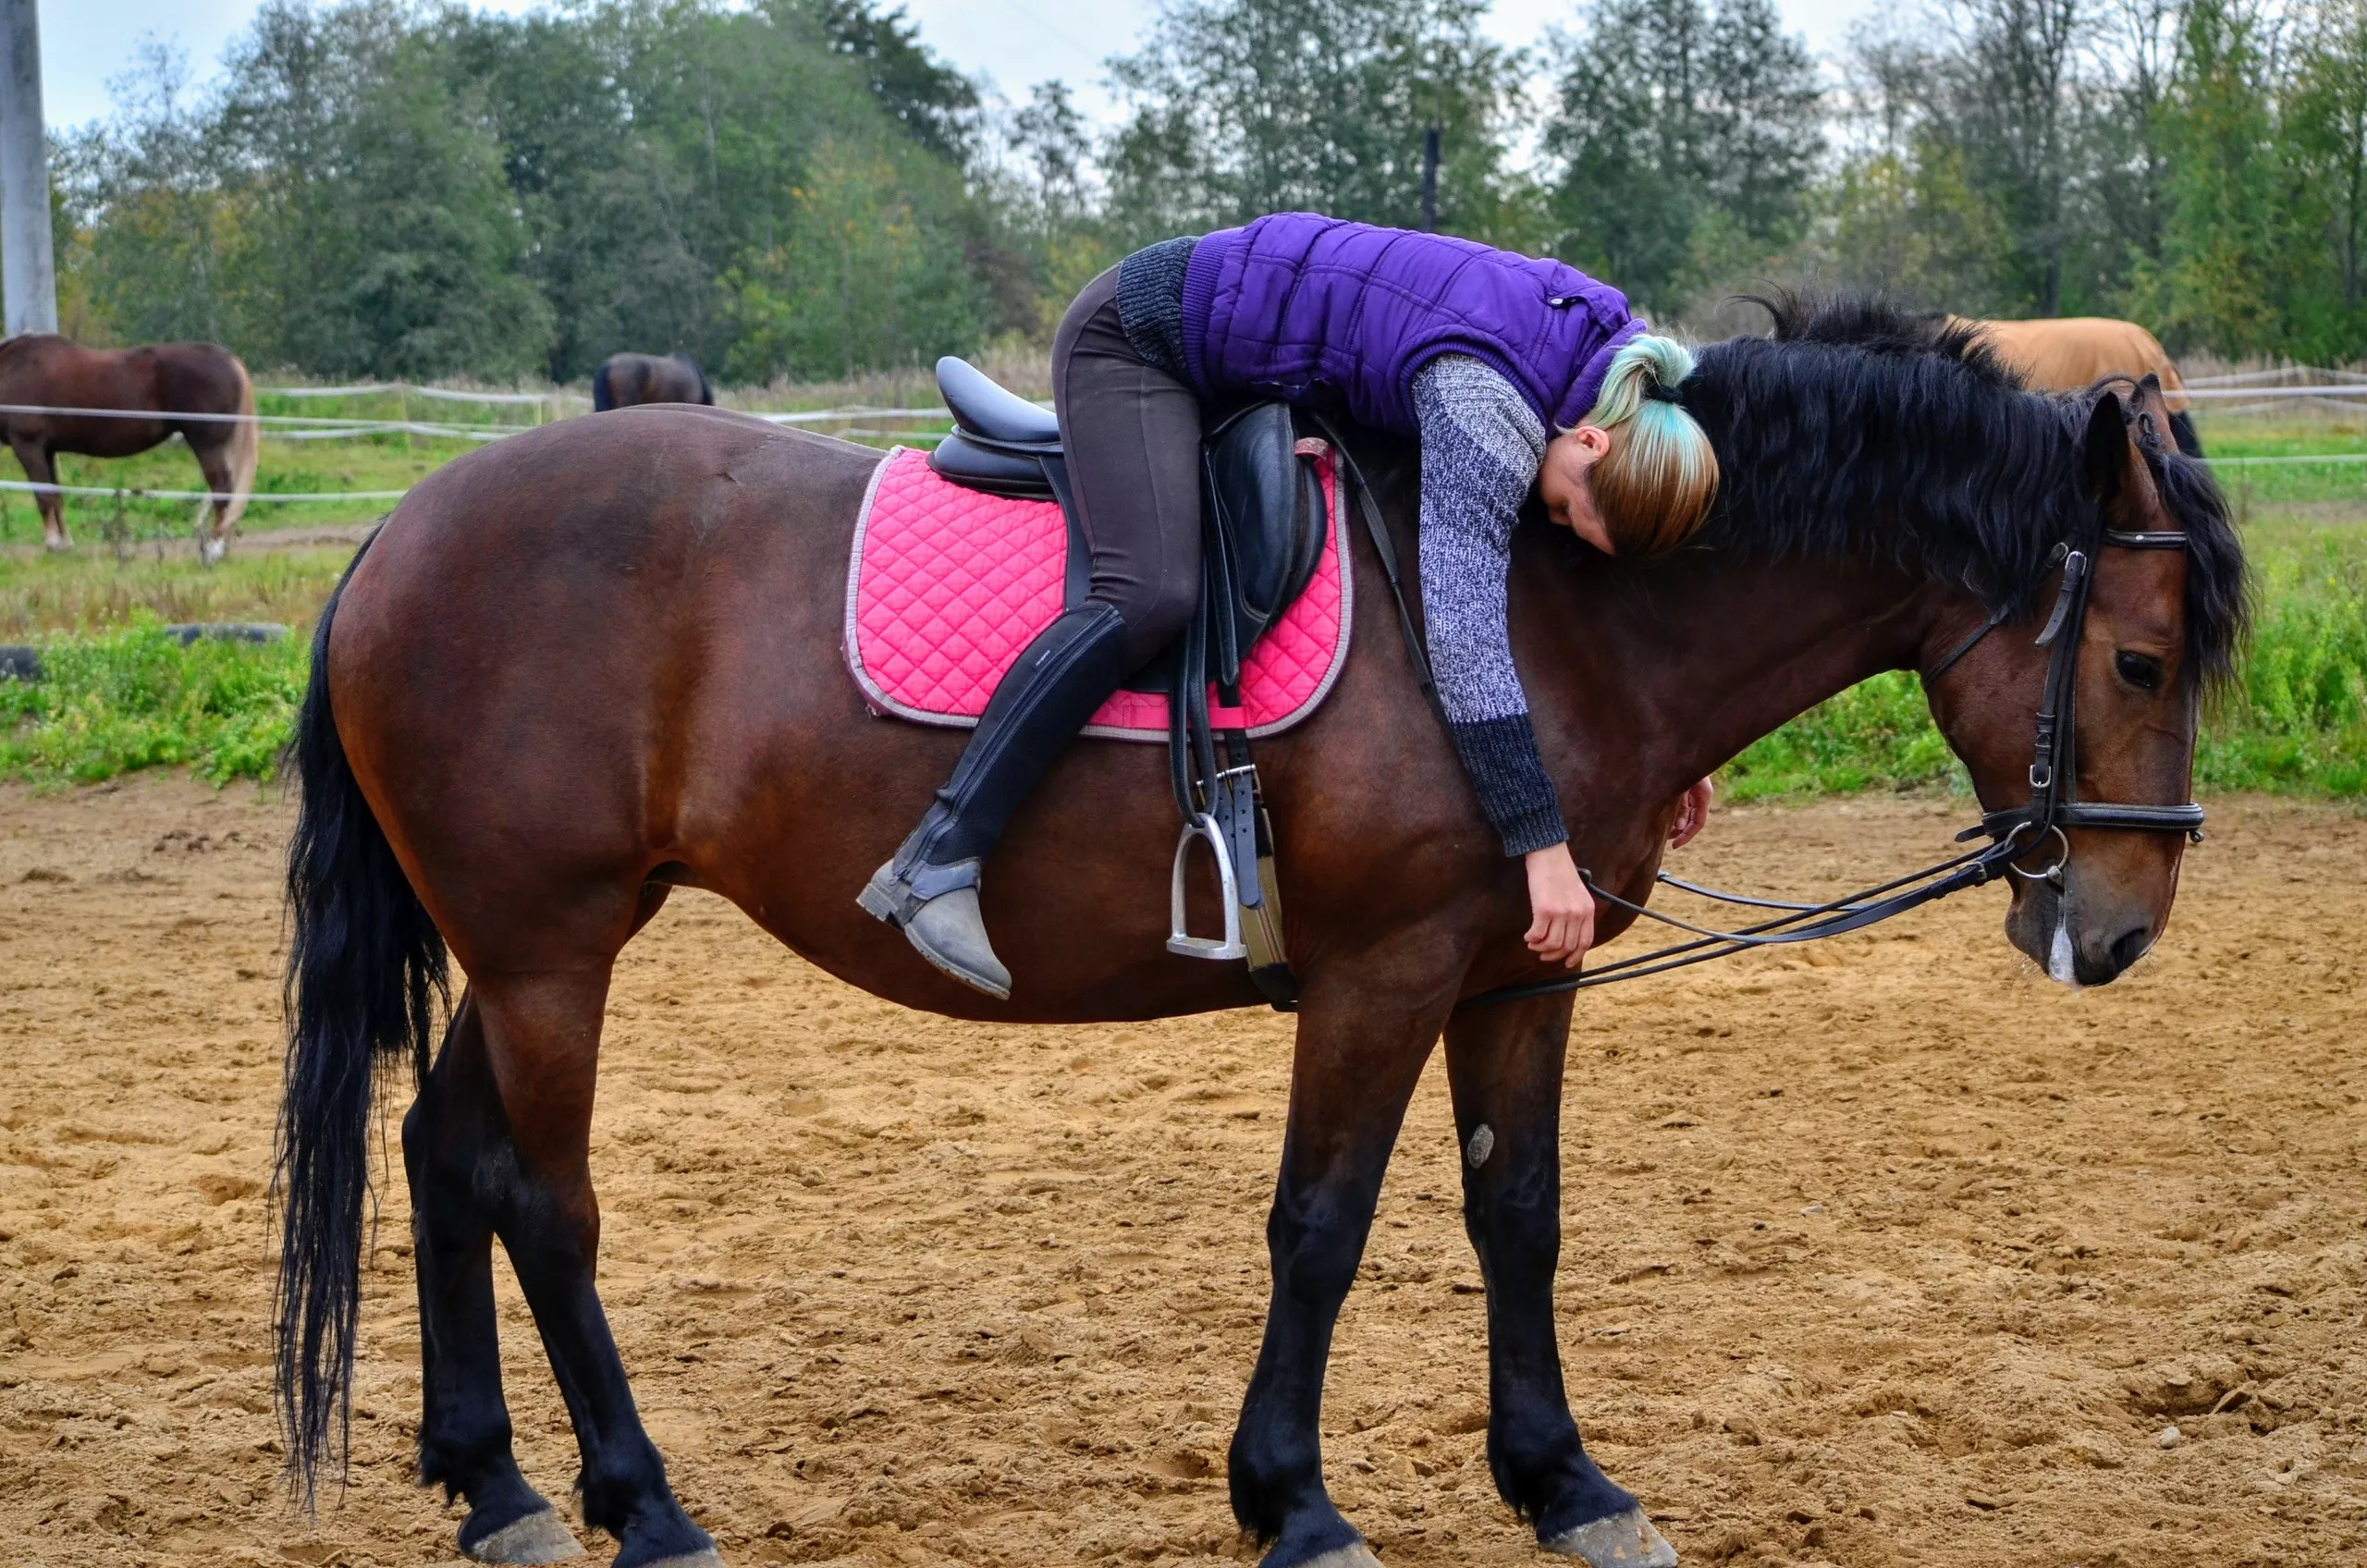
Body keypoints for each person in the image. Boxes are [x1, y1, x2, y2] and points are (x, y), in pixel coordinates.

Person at [860, 213, 1723, 999]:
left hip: (1248, 347)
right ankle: (938, 855)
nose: (1557, 517)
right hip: (1138, 335)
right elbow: (1461, 641)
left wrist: (1674, 755)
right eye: (1570, 505)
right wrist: (1543, 845)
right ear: (1595, 437)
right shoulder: (1487, 412)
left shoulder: (1617, 355)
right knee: (1152, 591)